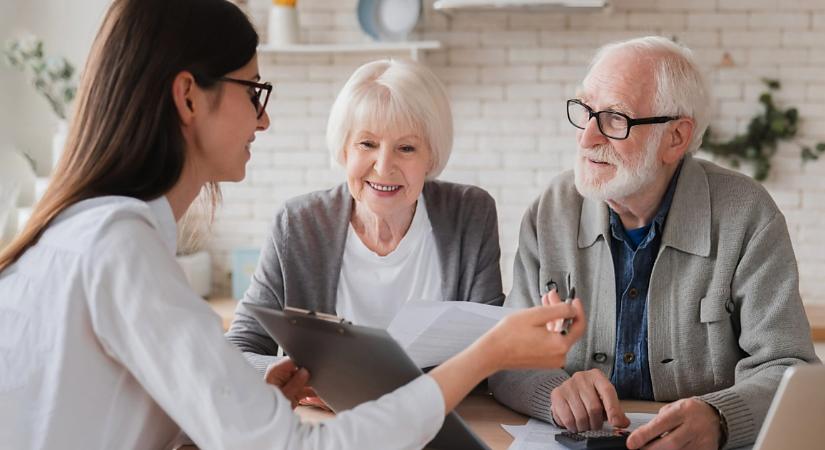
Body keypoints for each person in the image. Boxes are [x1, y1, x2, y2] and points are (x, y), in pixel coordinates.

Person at [0, 0, 587, 449]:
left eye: (407, 148)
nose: (265, 118)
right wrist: (486, 354)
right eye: (253, 91)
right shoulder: (118, 247)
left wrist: (240, 398)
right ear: (188, 98)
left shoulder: (88, 231)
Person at [489, 36, 820, 450]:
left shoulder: (748, 214)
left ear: (676, 138)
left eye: (614, 119)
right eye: (586, 111)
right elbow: (504, 356)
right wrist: (552, 392)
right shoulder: (550, 211)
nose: (587, 137)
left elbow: (790, 369)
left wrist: (720, 418)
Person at [227, 59, 504, 376]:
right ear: (345, 149)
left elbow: (491, 348)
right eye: (367, 143)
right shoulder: (298, 224)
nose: (384, 167)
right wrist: (306, 377)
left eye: (407, 148)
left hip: (438, 413)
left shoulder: (470, 214)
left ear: (432, 156)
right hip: (329, 420)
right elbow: (239, 348)